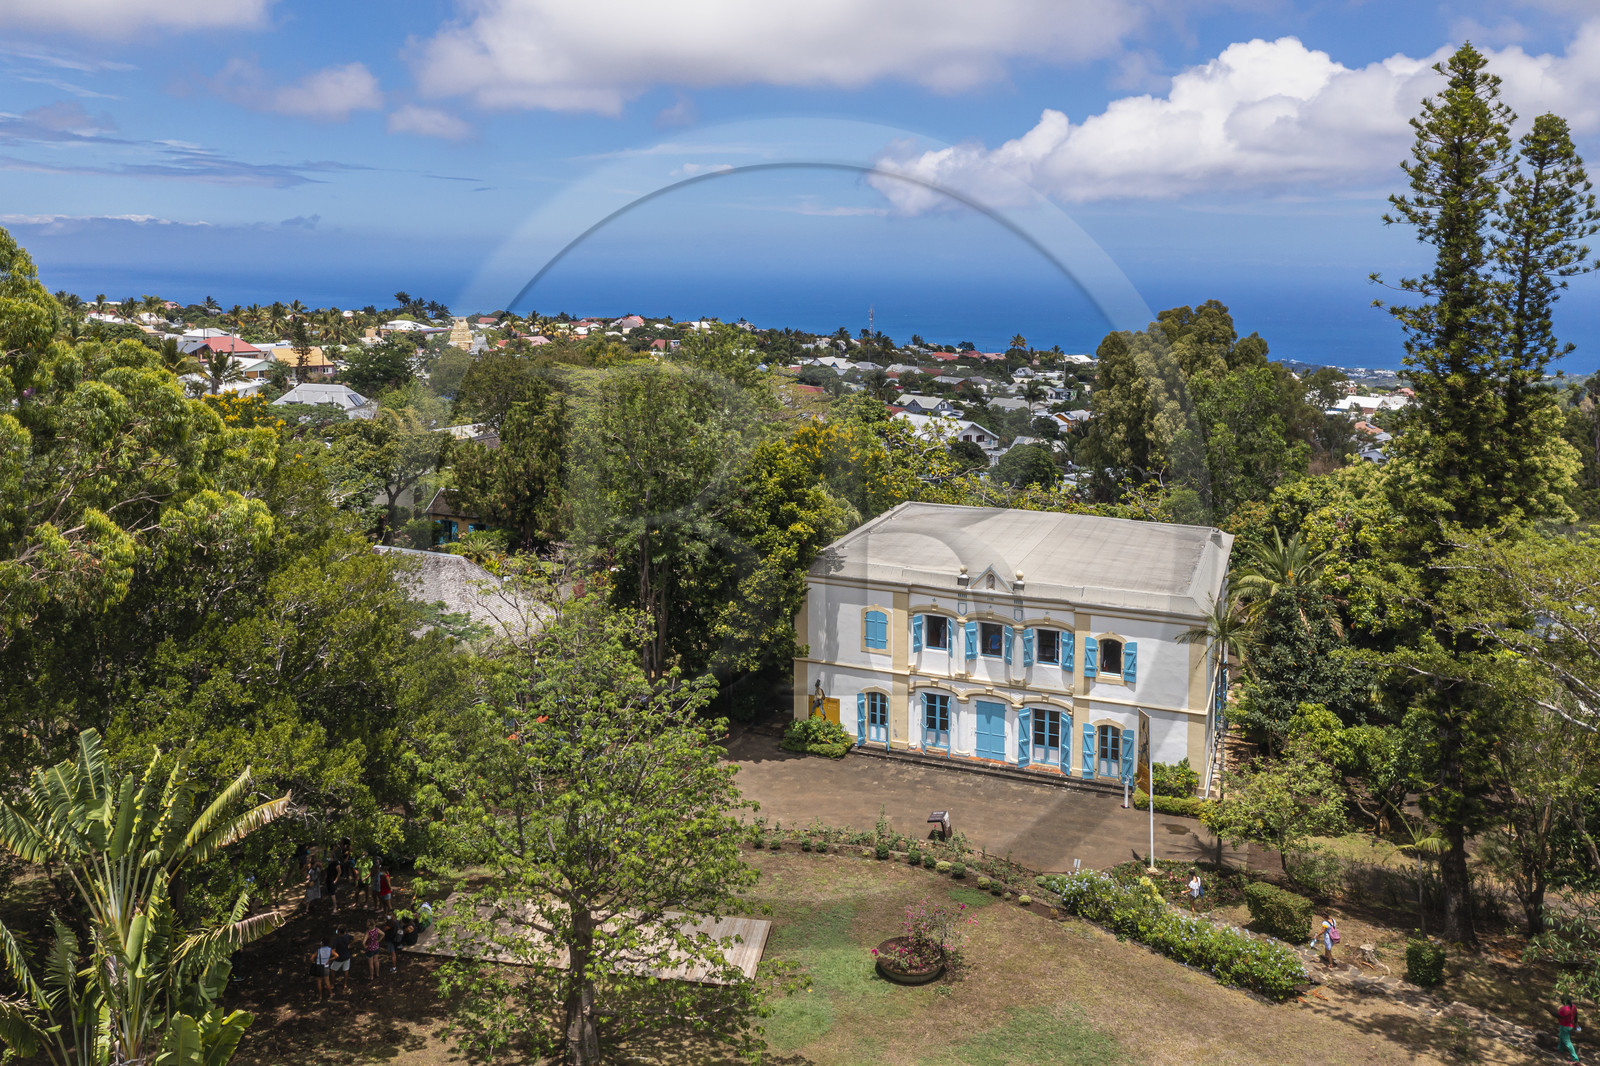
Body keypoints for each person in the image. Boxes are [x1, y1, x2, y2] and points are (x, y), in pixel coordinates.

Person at [1554, 995, 1581, 1064]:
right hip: (1569, 1025)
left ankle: (1575, 1059)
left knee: (1567, 1042)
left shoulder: (1565, 1009)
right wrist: (1576, 1023)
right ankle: (1560, 1049)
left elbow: (1557, 1015)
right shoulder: (1573, 1006)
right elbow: (1576, 1015)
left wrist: (1549, 1010)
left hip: (1565, 1026)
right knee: (1561, 1036)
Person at [329, 926, 354, 994]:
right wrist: (350, 944)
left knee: (332, 970)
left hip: (339, 958)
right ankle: (345, 984)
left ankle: (332, 984)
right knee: (346, 970)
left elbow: (333, 950)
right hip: (347, 957)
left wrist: (331, 957)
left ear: (339, 932)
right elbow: (354, 938)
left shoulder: (336, 940)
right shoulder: (347, 936)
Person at [310, 937, 334, 1003]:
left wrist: (314, 962)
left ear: (322, 943)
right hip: (325, 966)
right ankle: (331, 993)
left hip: (318, 966)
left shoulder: (319, 950)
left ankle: (320, 996)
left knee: (319, 982)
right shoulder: (330, 949)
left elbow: (311, 958)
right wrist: (329, 960)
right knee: (327, 981)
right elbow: (336, 955)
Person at [323, 850, 342, 914]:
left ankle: (335, 907)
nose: (328, 858)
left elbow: (339, 872)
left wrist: (336, 879)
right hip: (328, 879)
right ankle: (333, 905)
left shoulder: (336, 863)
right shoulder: (328, 863)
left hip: (333, 879)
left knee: (332, 893)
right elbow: (326, 872)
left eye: (329, 857)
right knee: (330, 893)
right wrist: (324, 879)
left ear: (332, 857)